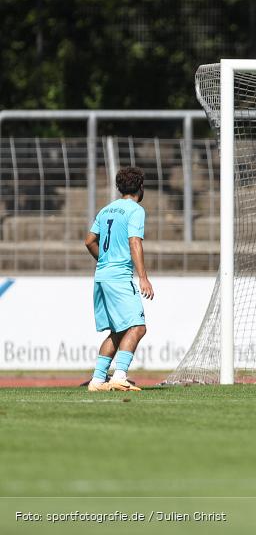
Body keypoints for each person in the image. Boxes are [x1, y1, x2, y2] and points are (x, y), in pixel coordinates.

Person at [84, 166, 154, 392]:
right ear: (140, 187)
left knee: (118, 330)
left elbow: (89, 241)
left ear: (119, 187)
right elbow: (135, 242)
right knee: (138, 327)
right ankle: (120, 376)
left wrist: (103, 260)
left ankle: (97, 381)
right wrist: (143, 277)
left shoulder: (106, 210)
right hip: (120, 277)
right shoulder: (135, 210)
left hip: (102, 276)